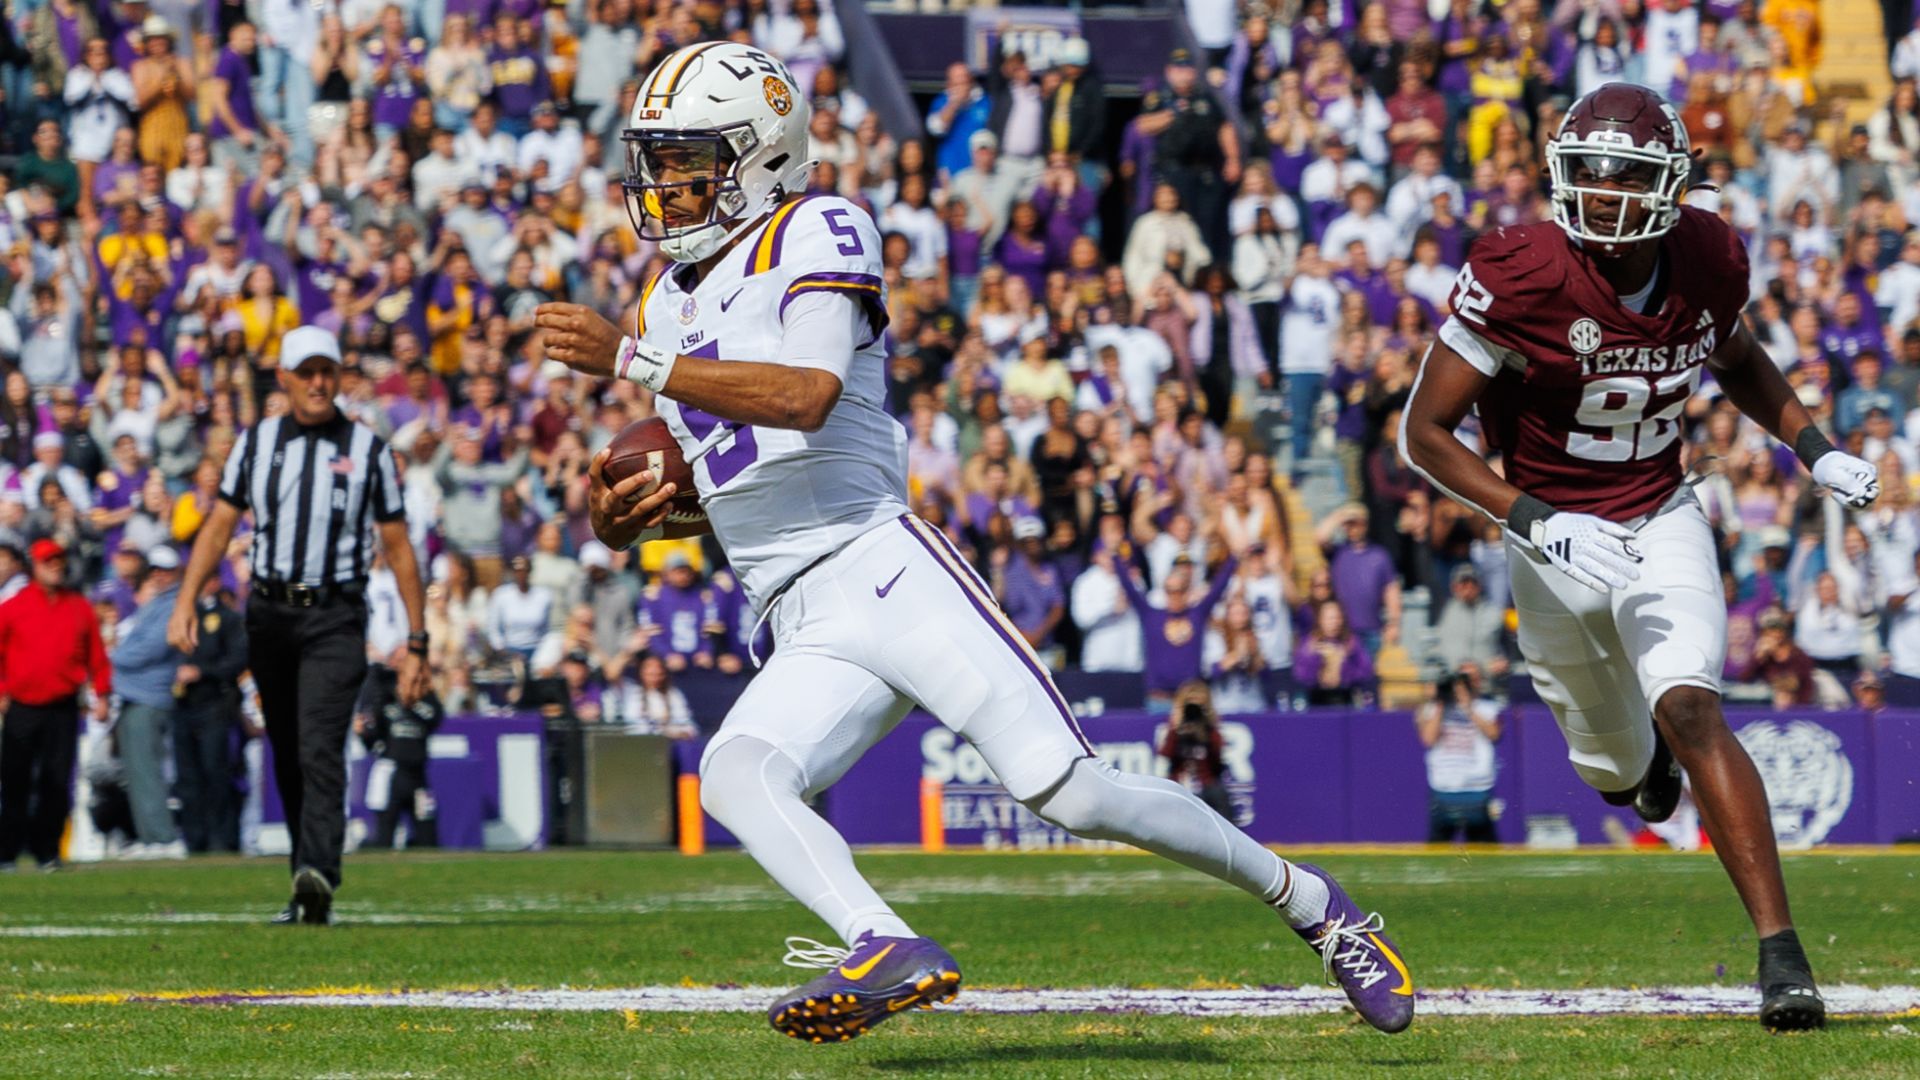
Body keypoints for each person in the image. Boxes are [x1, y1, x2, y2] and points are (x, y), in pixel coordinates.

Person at [537, 41, 1412, 1044]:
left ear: (762, 154)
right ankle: (883, 942)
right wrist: (630, 518)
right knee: (737, 771)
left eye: (690, 159)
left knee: (1073, 792)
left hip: (883, 569)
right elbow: (727, 477)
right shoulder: (666, 299)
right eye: (659, 161)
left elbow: (809, 396)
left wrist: (634, 361)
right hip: (796, 610)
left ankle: (1314, 904)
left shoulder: (815, 227)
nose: (666, 184)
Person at [1399, 83, 1877, 1031]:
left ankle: (1783, 957)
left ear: (1670, 186)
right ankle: (1645, 768)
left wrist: (1814, 447)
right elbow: (1424, 431)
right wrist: (1533, 516)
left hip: (1659, 512)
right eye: (1589, 173)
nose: (1604, 194)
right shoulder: (1522, 271)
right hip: (1552, 544)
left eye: (1626, 176)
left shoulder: (1706, 255)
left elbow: (1738, 359)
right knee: (1618, 776)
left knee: (1693, 705)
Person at [168, 326, 429, 926]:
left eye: (326, 371)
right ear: (283, 378)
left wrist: (417, 641)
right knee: (286, 749)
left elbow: (398, 546)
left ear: (338, 376)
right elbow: (219, 525)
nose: (317, 382)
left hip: (336, 614)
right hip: (269, 614)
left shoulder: (367, 449)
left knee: (318, 742)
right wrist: (185, 599)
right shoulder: (255, 443)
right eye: (305, 372)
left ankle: (318, 871)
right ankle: (303, 875)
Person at [0, 539, 111, 871]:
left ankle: (47, 851)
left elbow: (96, 656)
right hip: (22, 706)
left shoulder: (79, 607)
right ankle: (7, 851)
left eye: (59, 561)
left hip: (62, 706)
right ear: (34, 566)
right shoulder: (14, 607)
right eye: (48, 562)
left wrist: (102, 694)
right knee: (16, 779)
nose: (56, 567)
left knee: (57, 780)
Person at [108, 544, 187, 858]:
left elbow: (152, 646)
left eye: (165, 571)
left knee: (147, 770)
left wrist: (114, 656)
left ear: (175, 572)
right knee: (136, 771)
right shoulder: (158, 603)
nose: (158, 576)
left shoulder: (174, 604)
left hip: (149, 695)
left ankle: (164, 838)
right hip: (135, 694)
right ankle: (150, 836)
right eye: (154, 571)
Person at [171, 575, 248, 853]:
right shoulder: (178, 615)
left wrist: (202, 671)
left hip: (214, 703)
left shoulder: (227, 618)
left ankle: (223, 839)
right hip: (182, 705)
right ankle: (195, 840)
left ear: (214, 582)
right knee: (187, 776)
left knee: (216, 772)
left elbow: (239, 659)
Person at [354, 665, 443, 849]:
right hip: (392, 776)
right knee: (385, 834)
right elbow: (373, 740)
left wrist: (415, 699)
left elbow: (436, 718)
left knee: (427, 835)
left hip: (418, 778)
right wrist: (363, 734)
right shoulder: (385, 703)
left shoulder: (427, 702)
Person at [1416, 667, 1501, 844]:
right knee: (1437, 849)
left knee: (1484, 850)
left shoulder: (1486, 707)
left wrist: (1468, 706)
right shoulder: (1433, 710)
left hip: (1477, 787)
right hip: (1443, 787)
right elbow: (1428, 738)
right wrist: (1440, 702)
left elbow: (1494, 734)